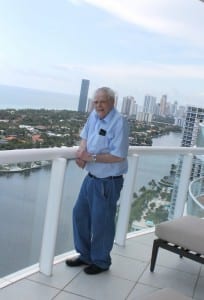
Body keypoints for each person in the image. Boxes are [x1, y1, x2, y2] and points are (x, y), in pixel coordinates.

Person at [65, 87, 129, 275]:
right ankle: (85, 255)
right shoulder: (94, 115)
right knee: (80, 214)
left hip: (108, 182)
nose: (99, 105)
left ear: (112, 102)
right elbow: (85, 137)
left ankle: (101, 261)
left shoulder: (119, 122)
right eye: (96, 101)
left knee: (102, 222)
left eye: (103, 101)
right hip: (91, 178)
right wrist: (81, 153)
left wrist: (90, 157)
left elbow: (119, 155)